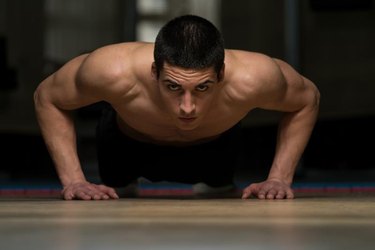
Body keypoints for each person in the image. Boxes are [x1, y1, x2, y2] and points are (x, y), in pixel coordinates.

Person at [33, 14, 320, 200]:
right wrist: (73, 180)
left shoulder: (255, 76)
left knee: (219, 194)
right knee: (117, 193)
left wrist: (279, 178)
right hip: (127, 146)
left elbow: (307, 99)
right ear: (154, 71)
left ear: (221, 74)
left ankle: (215, 181)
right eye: (173, 86)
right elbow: (47, 96)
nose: (187, 107)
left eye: (202, 87)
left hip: (214, 151)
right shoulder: (112, 70)